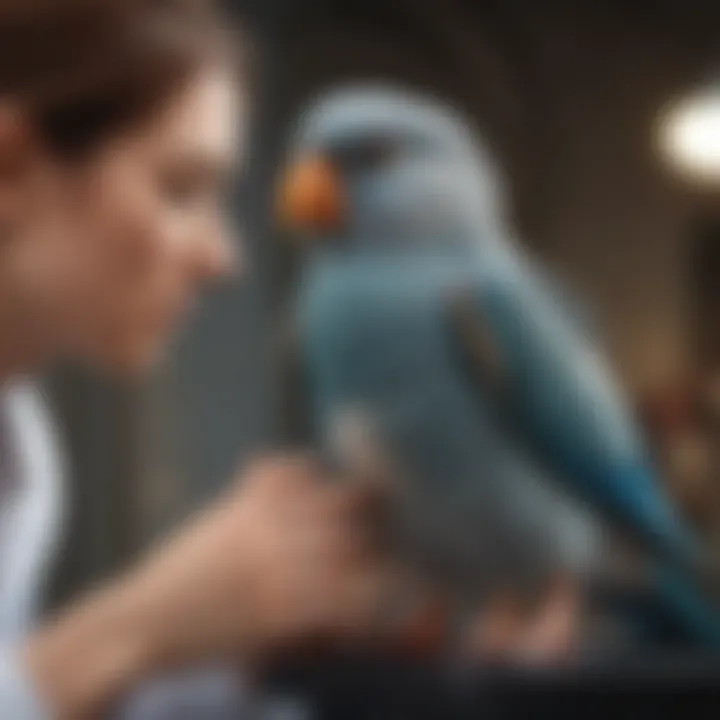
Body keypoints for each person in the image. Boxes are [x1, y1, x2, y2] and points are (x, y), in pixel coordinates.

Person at [0, 1, 394, 717]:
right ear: (12, 169)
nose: (224, 260)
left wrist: (219, 641)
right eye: (180, 188)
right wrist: (131, 629)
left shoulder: (24, 446)